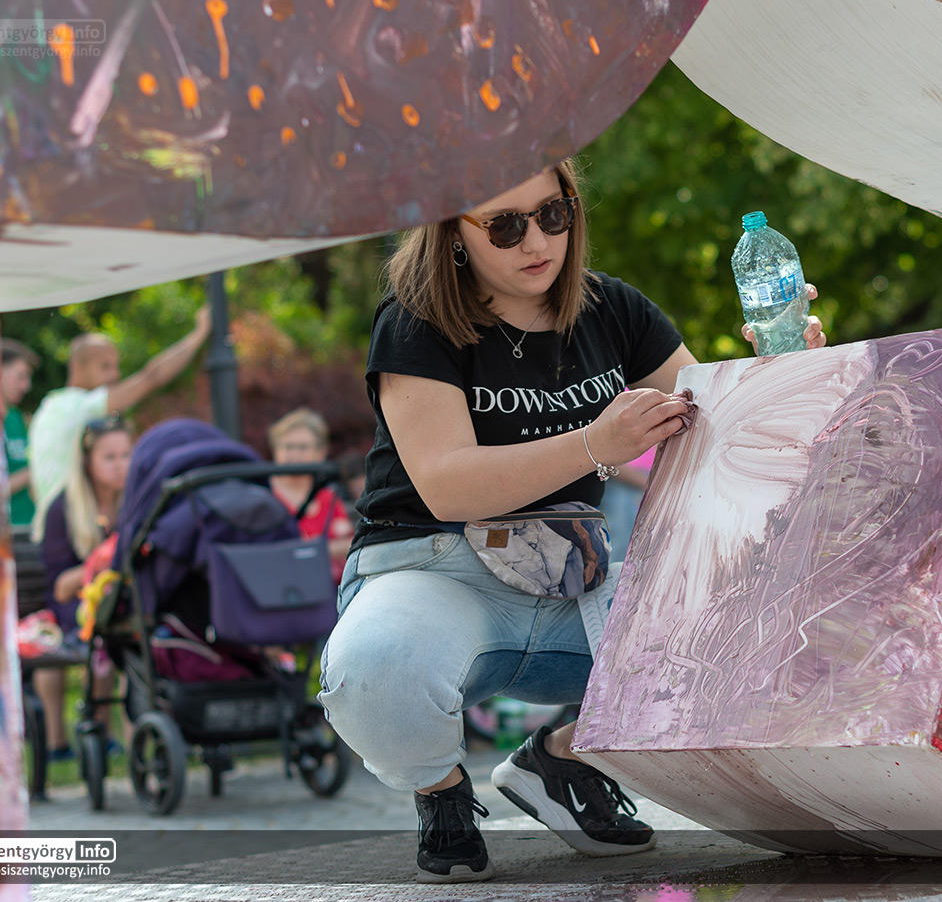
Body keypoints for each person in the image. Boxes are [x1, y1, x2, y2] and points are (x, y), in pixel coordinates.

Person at [317, 158, 825, 883]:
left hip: (569, 575)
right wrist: (594, 444)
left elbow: (718, 430)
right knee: (373, 674)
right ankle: (441, 790)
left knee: (757, 633)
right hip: (434, 569)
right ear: (453, 232)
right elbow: (447, 485)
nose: (536, 241)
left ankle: (564, 761)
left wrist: (783, 371)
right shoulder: (415, 319)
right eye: (504, 225)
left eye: (552, 214)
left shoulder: (613, 308)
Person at [28, 307, 210, 534]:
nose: (115, 375)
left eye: (115, 366)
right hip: (69, 532)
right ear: (77, 367)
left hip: (56, 530)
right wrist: (199, 334)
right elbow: (151, 378)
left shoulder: (50, 406)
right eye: (105, 367)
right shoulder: (76, 407)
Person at [35, 415, 133, 760]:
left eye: (126, 455)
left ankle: (126, 741)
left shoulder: (136, 503)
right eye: (110, 457)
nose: (120, 465)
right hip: (73, 607)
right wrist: (101, 562)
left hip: (124, 603)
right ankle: (80, 737)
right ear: (87, 461)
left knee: (131, 636)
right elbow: (60, 589)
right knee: (101, 633)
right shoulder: (63, 509)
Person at [267, 408, 354, 584]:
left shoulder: (328, 497)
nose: (294, 455)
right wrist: (322, 550)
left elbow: (349, 544)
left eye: (303, 447)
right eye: (288, 447)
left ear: (320, 452)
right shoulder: (264, 495)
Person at [0, 339, 40, 530]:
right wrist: (39, 467)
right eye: (20, 377)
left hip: (29, 526)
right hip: (4, 531)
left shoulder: (15, 417)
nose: (26, 386)